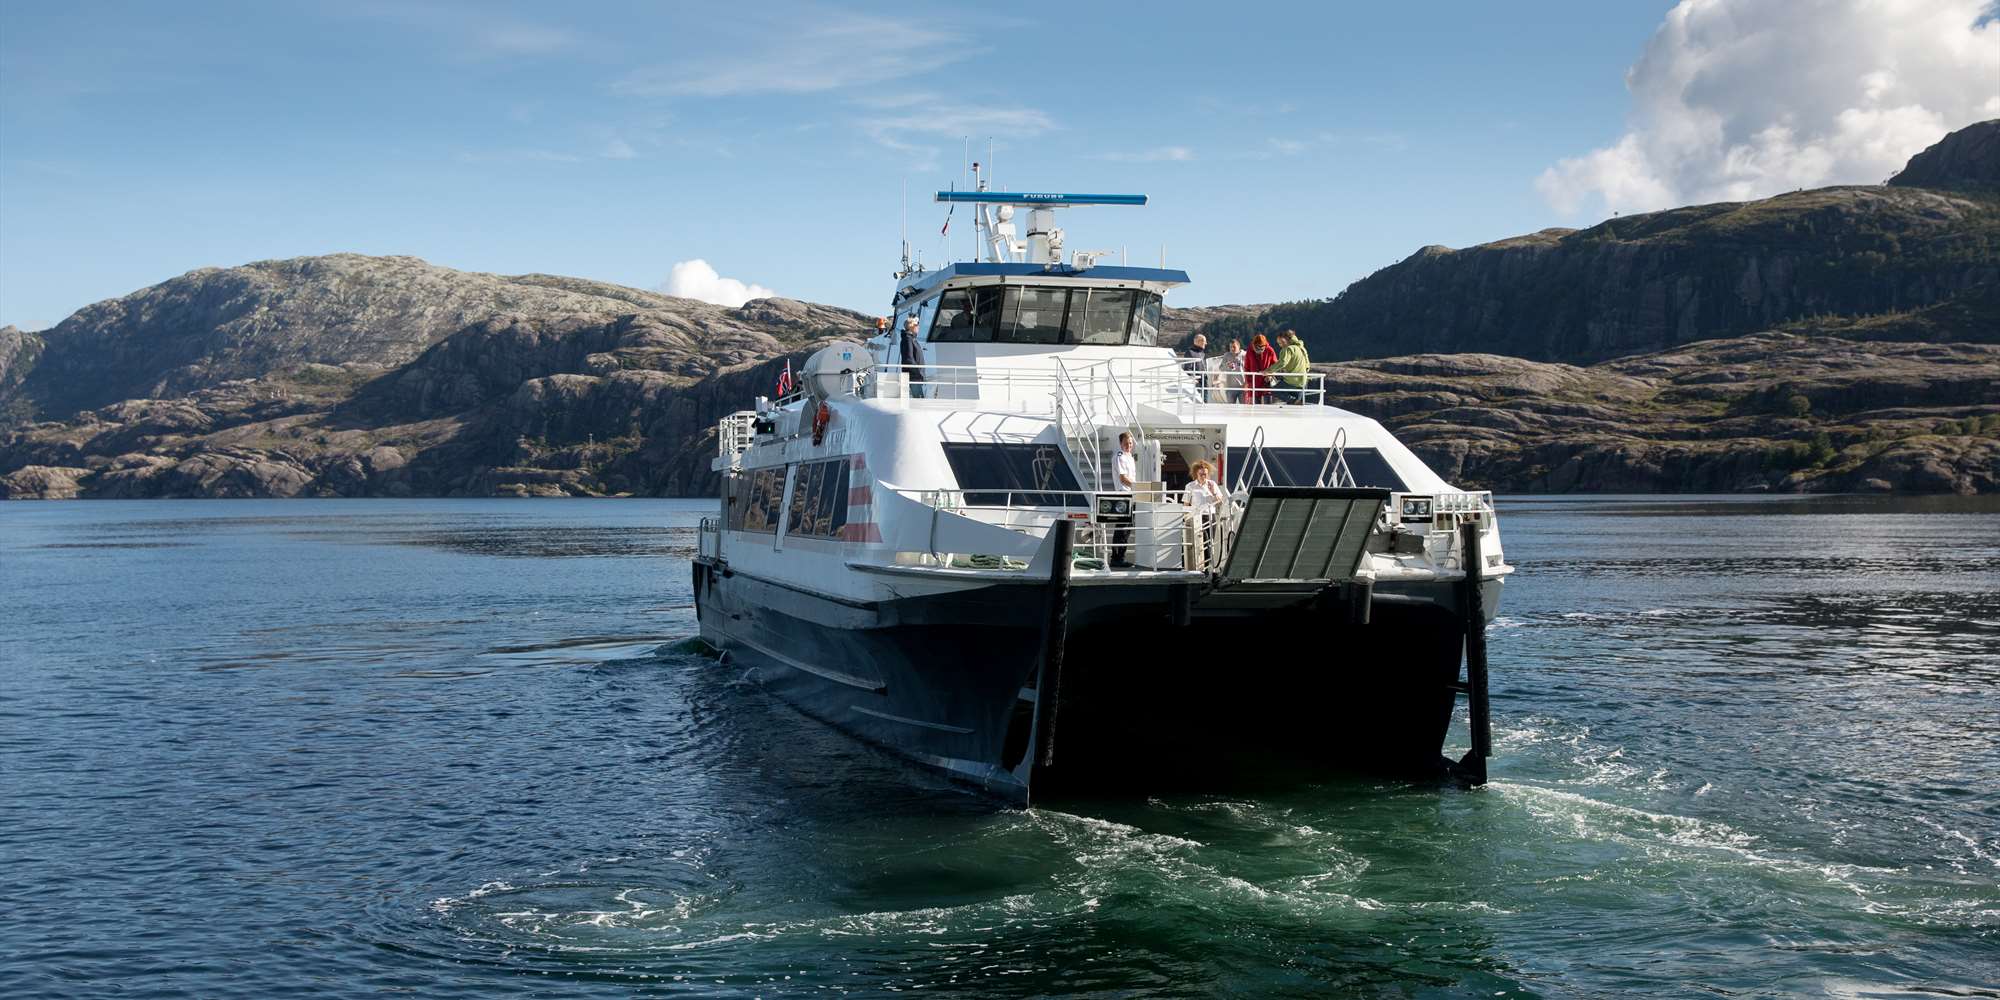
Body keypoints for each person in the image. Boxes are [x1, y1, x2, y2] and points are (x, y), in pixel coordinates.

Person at [1182, 459, 1225, 568]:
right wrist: (1186, 519)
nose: (1203, 476)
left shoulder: (1212, 484)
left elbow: (1220, 501)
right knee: (1199, 541)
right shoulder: (1190, 486)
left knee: (1209, 542)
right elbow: (1186, 504)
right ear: (1196, 474)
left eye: (1205, 474)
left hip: (1210, 516)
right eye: (1201, 474)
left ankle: (1207, 566)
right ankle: (1199, 566)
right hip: (1196, 517)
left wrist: (1213, 492)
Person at [1110, 431, 1137, 567]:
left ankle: (1120, 557)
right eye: (1126, 443)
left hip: (1131, 495)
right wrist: (1138, 487)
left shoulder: (1130, 457)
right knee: (1122, 528)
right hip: (1123, 495)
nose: (1129, 445)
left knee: (1127, 529)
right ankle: (1116, 558)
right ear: (1121, 443)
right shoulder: (1119, 457)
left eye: (1130, 443)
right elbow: (1123, 478)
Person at [1274, 330, 1311, 405]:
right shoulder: (1301, 347)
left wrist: (1269, 370)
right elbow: (1307, 365)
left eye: (1281, 342)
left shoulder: (1289, 348)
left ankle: (1293, 400)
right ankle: (1295, 401)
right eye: (1279, 343)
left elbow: (1283, 363)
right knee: (1297, 402)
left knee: (1275, 390)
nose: (1280, 345)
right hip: (1303, 381)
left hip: (1293, 380)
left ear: (1287, 339)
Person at [898, 314, 926, 399]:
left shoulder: (911, 339)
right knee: (919, 400)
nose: (918, 327)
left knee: (919, 399)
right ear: (911, 327)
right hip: (913, 377)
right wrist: (918, 372)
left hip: (916, 376)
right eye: (917, 325)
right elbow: (908, 359)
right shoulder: (907, 339)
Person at [1244, 333, 1276, 404]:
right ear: (1254, 345)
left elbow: (1275, 365)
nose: (1259, 350)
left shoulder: (1270, 350)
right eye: (1257, 348)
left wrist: (1270, 375)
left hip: (1266, 380)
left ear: (1265, 346)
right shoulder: (1249, 351)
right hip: (1254, 381)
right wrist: (1249, 381)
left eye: (1261, 349)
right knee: (1255, 405)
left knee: (1268, 403)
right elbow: (1246, 367)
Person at [1220, 338, 1247, 403]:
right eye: (1230, 347)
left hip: (1242, 387)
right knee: (1230, 408)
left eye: (1234, 347)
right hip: (1230, 387)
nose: (1232, 349)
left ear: (1238, 346)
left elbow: (1249, 369)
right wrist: (1227, 366)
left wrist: (1247, 383)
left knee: (1244, 407)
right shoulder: (1226, 355)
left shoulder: (1245, 355)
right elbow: (1221, 368)